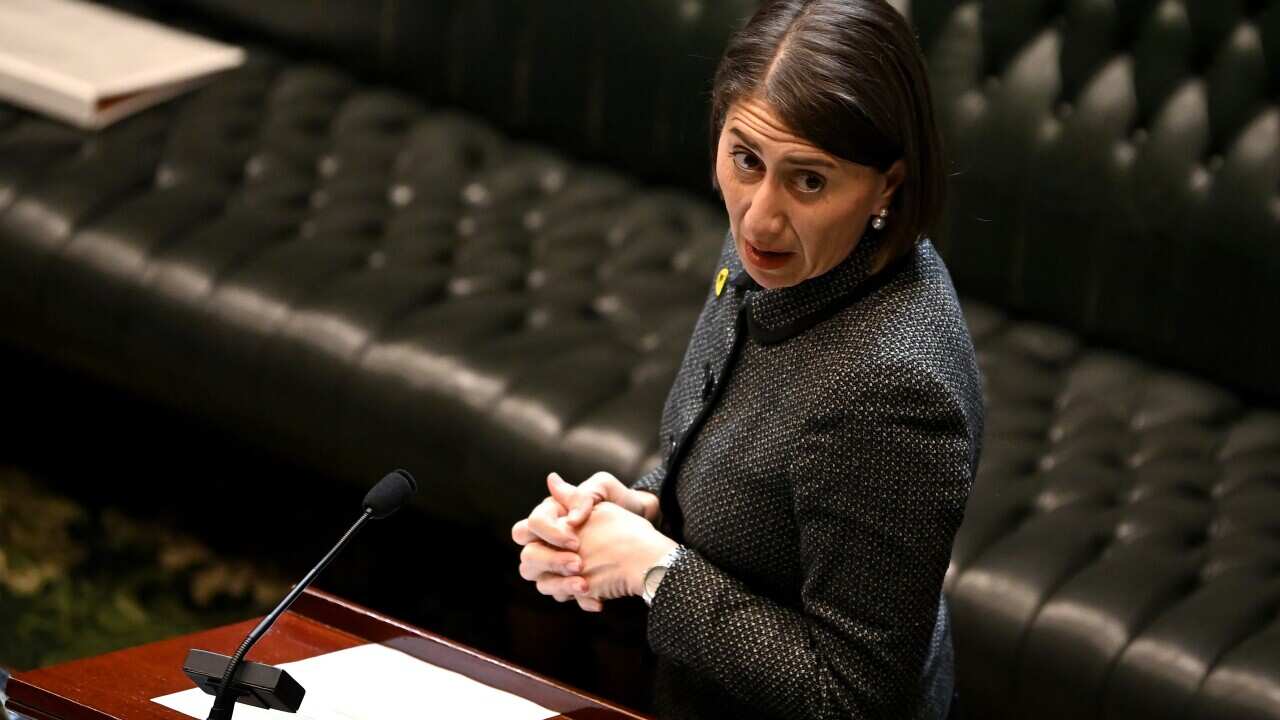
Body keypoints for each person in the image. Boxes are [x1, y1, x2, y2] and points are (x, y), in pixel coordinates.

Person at [511, 1, 983, 718]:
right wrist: (643, 510)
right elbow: (752, 480)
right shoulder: (786, 255)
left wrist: (655, 568)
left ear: (887, 186)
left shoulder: (892, 390)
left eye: (810, 180)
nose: (759, 217)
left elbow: (855, 697)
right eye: (746, 160)